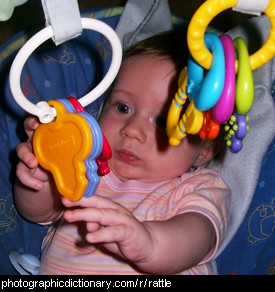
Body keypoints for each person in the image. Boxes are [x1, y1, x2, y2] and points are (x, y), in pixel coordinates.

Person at [14, 30, 231, 275]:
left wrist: (150, 244)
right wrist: (40, 175)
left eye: (162, 121)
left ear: (204, 151)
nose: (132, 130)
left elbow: (198, 236)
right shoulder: (82, 164)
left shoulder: (199, 188)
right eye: (123, 107)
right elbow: (35, 212)